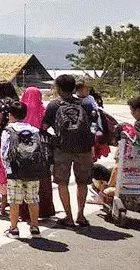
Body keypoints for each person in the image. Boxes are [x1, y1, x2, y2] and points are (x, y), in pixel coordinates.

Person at [40, 74, 99, 228]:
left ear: (58, 89)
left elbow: (44, 127)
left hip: (62, 149)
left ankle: (69, 216)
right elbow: (94, 127)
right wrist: (90, 142)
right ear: (74, 88)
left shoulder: (54, 105)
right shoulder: (86, 104)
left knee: (62, 183)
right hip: (84, 149)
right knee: (82, 183)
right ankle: (81, 215)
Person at [1, 101, 43, 238]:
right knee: (33, 199)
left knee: (14, 200)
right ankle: (35, 227)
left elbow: (4, 152)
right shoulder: (35, 130)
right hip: (32, 169)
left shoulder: (8, 130)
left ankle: (13, 228)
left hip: (14, 170)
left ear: (10, 115)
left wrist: (7, 169)